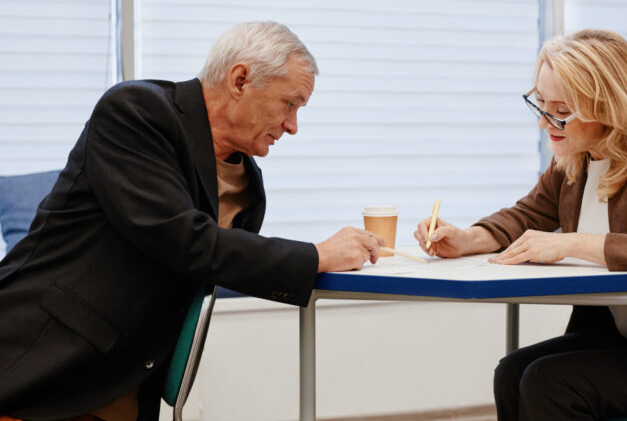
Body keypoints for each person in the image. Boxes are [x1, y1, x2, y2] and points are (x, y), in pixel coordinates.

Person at [0, 22, 384, 421]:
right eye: (290, 104)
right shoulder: (136, 111)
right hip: (40, 368)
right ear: (240, 79)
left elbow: (216, 265)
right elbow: (182, 240)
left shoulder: (247, 183)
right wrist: (315, 256)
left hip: (123, 385)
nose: (293, 126)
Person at [414, 29, 627, 421]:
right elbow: (527, 215)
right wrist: (467, 239)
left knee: (548, 382)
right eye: (542, 104)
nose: (547, 122)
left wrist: (573, 244)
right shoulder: (577, 156)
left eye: (563, 109)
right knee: (511, 372)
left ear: (608, 105)